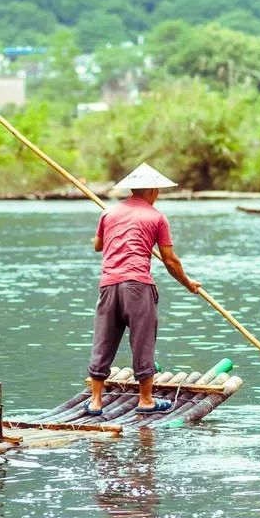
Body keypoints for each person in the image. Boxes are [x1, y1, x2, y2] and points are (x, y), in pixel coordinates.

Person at [86, 163, 201, 415]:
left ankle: (95, 401)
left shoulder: (109, 213)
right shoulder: (157, 217)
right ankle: (146, 400)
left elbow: (98, 245)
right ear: (153, 191)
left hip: (109, 285)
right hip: (138, 287)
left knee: (103, 341)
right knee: (143, 342)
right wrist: (188, 284)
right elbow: (170, 260)